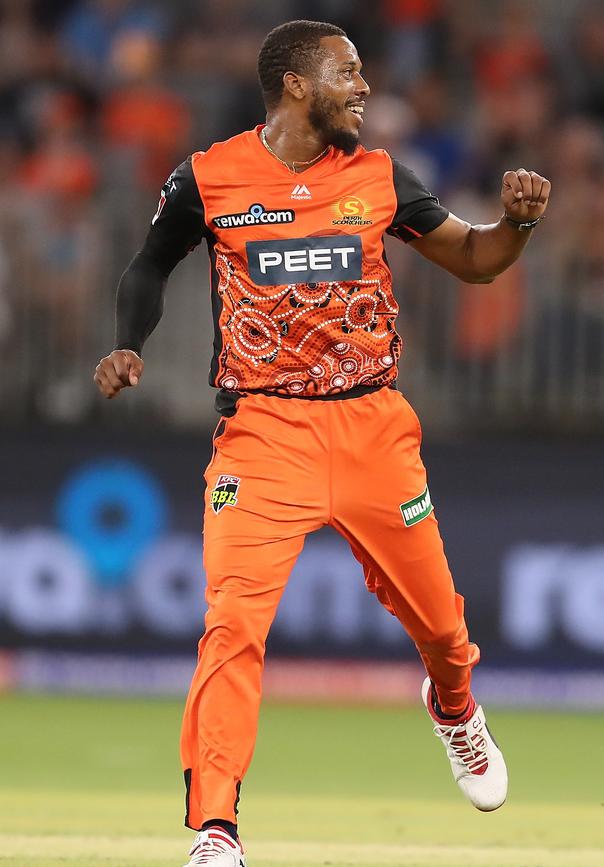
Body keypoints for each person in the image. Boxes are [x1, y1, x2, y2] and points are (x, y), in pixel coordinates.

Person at [93, 20, 550, 867]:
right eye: (350, 73)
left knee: (445, 632)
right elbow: (150, 264)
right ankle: (217, 831)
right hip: (264, 433)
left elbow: (476, 261)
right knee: (232, 624)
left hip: (373, 429)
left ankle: (454, 708)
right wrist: (131, 342)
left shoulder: (380, 177)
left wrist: (515, 228)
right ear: (297, 85)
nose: (365, 88)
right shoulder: (210, 175)